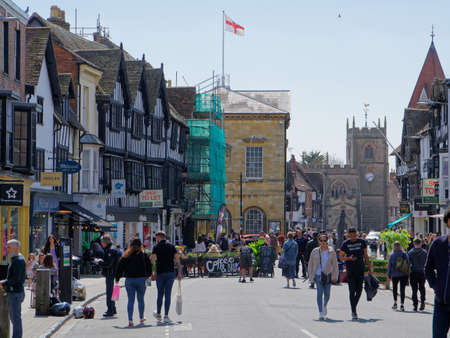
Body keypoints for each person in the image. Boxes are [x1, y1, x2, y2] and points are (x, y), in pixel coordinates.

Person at [425, 208, 450, 338]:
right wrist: (436, 287)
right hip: (442, 301)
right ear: (447, 222)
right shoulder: (438, 244)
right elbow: (428, 268)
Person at [115, 238, 152, 327]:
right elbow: (149, 268)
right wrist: (148, 275)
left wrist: (117, 278)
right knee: (141, 300)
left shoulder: (126, 256)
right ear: (140, 246)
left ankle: (130, 320)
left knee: (130, 300)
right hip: (141, 280)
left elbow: (120, 267)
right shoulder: (144, 255)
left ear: (130, 246)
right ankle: (141, 318)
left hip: (129, 280)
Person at [339, 227, 373, 320]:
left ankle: (353, 307)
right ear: (349, 235)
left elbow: (365, 256)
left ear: (357, 234)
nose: (353, 237)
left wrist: (370, 268)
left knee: (359, 291)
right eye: (351, 235)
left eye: (355, 235)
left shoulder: (362, 242)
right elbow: (341, 257)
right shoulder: (345, 244)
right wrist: (349, 258)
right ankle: (354, 311)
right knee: (351, 290)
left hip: (360, 269)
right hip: (350, 270)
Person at [151, 231, 182, 323]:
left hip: (160, 273)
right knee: (168, 294)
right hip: (170, 273)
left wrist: (151, 271)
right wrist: (179, 272)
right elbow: (177, 259)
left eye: (156, 238)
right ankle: (166, 315)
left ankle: (158, 314)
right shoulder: (172, 246)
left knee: (160, 294)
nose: (156, 240)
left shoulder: (156, 247)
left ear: (159, 237)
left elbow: (152, 260)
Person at [308, 234, 339, 320]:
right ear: (318, 241)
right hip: (318, 275)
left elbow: (335, 265)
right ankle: (320, 312)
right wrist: (311, 276)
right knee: (319, 293)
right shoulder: (315, 251)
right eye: (321, 241)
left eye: (325, 241)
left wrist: (335, 276)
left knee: (328, 294)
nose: (323, 242)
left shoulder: (331, 251)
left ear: (327, 241)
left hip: (328, 274)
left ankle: (324, 305)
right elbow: (310, 264)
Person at [0, 240, 26, 338]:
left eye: (9, 247)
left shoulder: (18, 260)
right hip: (15, 292)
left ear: (15, 247)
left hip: (15, 292)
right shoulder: (16, 258)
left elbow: (16, 278)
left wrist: (3, 283)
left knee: (15, 319)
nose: (7, 248)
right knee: (14, 318)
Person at [96, 235, 120, 317]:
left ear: (105, 242)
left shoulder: (110, 250)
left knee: (110, 292)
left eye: (102, 242)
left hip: (111, 273)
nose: (101, 244)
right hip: (115, 273)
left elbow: (108, 264)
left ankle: (110, 309)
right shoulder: (113, 249)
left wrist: (99, 262)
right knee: (114, 292)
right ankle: (113, 308)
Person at [388, 241, 409, 311]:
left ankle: (395, 303)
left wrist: (389, 274)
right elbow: (408, 263)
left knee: (395, 289)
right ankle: (402, 305)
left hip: (394, 274)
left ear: (394, 246)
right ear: (400, 246)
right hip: (403, 274)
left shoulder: (392, 255)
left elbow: (389, 266)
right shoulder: (404, 254)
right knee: (402, 289)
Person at [408, 237, 427, 312]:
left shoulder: (410, 252)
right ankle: (422, 301)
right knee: (422, 288)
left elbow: (408, 264)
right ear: (421, 243)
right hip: (422, 272)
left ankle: (415, 305)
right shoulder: (425, 252)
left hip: (413, 272)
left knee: (414, 289)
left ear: (414, 244)